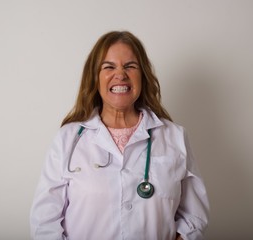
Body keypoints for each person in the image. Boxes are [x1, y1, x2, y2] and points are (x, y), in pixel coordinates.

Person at [30, 31, 209, 240]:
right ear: (95, 77)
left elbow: (194, 216)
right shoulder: (68, 139)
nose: (120, 74)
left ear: (143, 75)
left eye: (130, 66)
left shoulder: (175, 137)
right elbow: (44, 222)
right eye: (109, 67)